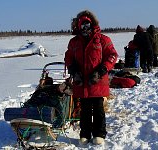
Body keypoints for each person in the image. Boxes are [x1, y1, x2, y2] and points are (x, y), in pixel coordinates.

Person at [64, 10, 118, 145]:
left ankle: (99, 134)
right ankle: (85, 134)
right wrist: (74, 71)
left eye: (87, 25)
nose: (85, 28)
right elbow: (68, 57)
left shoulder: (103, 40)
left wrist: (101, 70)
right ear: (78, 26)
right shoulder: (74, 42)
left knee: (99, 109)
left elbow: (112, 55)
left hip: (98, 82)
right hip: (81, 82)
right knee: (85, 110)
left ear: (92, 24)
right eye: (82, 25)